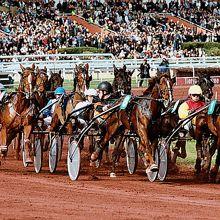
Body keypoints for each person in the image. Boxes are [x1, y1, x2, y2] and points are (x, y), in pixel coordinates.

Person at [172, 85, 205, 164]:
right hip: (189, 124)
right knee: (184, 127)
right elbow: (181, 113)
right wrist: (189, 112)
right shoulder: (186, 104)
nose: (196, 97)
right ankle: (178, 146)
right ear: (190, 95)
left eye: (198, 95)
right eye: (194, 95)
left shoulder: (203, 104)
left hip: (199, 126)